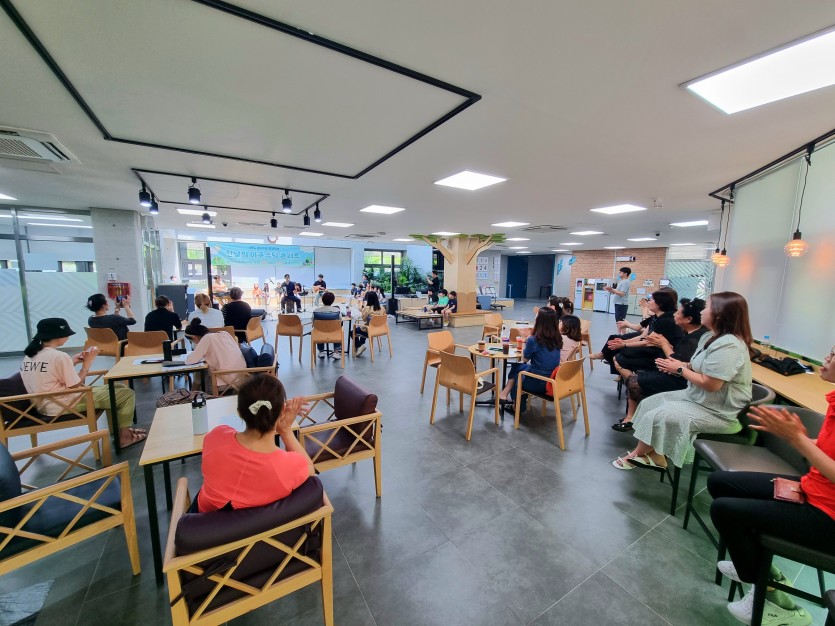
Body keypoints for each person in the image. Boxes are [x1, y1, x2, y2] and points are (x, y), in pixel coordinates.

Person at [707, 344, 835, 626]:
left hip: (828, 517)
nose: (827, 357)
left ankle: (772, 596)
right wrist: (800, 438)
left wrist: (798, 440)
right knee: (720, 483)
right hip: (813, 489)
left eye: (834, 354)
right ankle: (761, 567)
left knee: (724, 510)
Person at [612, 291, 753, 471]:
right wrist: (682, 364)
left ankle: (637, 455)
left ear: (719, 313)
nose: (702, 311)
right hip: (698, 398)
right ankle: (655, 454)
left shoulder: (729, 345)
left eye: (707, 307)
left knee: (660, 414)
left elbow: (711, 384)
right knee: (648, 404)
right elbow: (698, 364)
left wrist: (679, 369)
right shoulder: (710, 337)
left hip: (717, 411)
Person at [197, 375, 315, 513]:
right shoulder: (288, 467)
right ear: (282, 411)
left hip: (203, 521)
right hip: (262, 525)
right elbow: (310, 469)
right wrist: (286, 431)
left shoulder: (215, 436)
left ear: (239, 412)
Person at [20, 318, 143, 448]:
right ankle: (124, 438)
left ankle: (121, 431)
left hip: (43, 404)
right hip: (63, 404)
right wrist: (86, 365)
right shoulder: (59, 356)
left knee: (117, 386)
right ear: (59, 335)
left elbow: (50, 375)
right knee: (126, 394)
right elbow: (75, 385)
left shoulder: (30, 354)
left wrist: (73, 361)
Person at [612, 298, 708, 433]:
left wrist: (663, 344)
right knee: (624, 361)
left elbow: (675, 362)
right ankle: (632, 415)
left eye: (678, 313)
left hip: (680, 379)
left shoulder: (693, 338)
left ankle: (630, 418)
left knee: (633, 380)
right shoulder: (689, 332)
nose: (675, 315)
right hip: (674, 371)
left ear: (688, 319)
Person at [590, 289, 682, 372]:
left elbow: (646, 340)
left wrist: (624, 343)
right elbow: (643, 335)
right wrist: (624, 342)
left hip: (658, 354)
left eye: (652, 300)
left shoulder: (665, 320)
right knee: (618, 345)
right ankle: (610, 359)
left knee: (621, 353)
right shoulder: (657, 317)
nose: (649, 301)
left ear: (660, 304)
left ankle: (633, 382)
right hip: (652, 347)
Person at [498, 308, 562, 411]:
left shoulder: (534, 339)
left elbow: (524, 359)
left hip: (538, 382)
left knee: (518, 376)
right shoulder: (557, 338)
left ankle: (517, 407)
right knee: (517, 367)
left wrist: (525, 340)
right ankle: (504, 393)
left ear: (539, 321)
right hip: (553, 379)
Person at [184, 317, 247, 389]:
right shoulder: (225, 333)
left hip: (226, 382)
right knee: (201, 373)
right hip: (242, 376)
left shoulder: (206, 338)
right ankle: (193, 393)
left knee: (200, 374)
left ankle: (194, 393)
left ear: (195, 338)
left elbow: (189, 361)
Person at [354, 291, 385, 356]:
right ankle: (361, 345)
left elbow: (364, 319)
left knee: (352, 332)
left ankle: (359, 346)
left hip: (369, 331)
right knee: (364, 327)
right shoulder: (382, 308)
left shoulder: (367, 308)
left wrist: (363, 310)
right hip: (379, 330)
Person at [313, 291, 342, 360]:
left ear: (322, 300)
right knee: (339, 330)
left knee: (317, 329)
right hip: (334, 334)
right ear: (333, 300)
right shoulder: (337, 311)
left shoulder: (316, 311)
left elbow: (313, 323)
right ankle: (336, 352)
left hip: (320, 334)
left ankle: (321, 351)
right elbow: (340, 322)